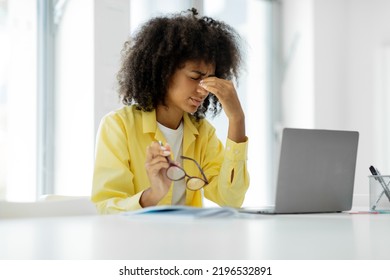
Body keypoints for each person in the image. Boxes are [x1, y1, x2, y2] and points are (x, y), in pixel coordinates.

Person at [91, 8, 249, 214]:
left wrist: (237, 119)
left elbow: (231, 199)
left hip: (189, 242)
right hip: (136, 243)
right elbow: (106, 210)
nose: (204, 89)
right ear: (164, 71)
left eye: (209, 80)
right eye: (194, 77)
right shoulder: (118, 127)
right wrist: (154, 194)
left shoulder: (202, 133)